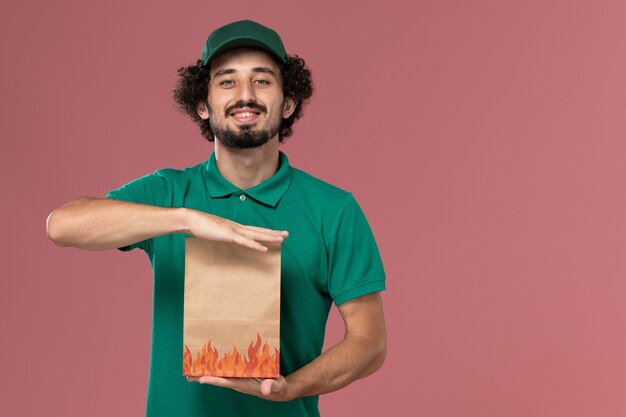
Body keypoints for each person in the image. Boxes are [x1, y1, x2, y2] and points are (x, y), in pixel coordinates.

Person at [47, 20, 387, 417]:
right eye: (227, 82)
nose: (245, 95)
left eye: (262, 81)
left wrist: (291, 387)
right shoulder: (169, 194)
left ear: (288, 102)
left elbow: (370, 342)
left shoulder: (334, 209)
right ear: (202, 104)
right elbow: (62, 225)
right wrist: (187, 220)